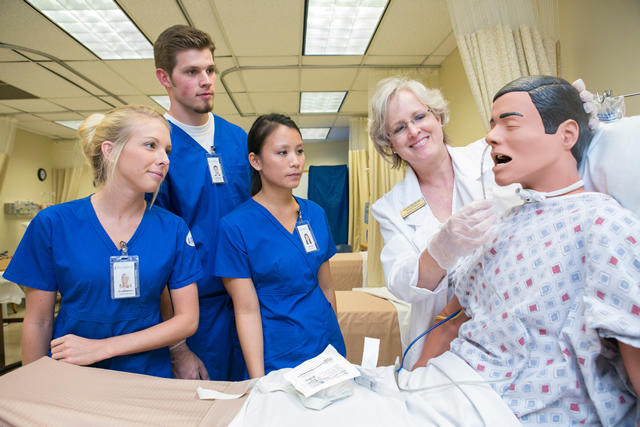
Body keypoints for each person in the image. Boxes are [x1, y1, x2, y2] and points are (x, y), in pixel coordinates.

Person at [414, 76, 640, 425]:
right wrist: (407, 387)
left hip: (509, 411)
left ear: (566, 135)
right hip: (441, 391)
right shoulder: (500, 228)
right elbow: (447, 322)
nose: (490, 136)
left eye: (510, 123)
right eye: (492, 124)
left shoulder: (604, 225)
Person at [4, 105, 203, 378]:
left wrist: (102, 348)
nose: (164, 159)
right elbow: (38, 321)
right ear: (109, 151)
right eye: (150, 145)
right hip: (72, 374)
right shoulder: (52, 224)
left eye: (166, 151)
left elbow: (187, 320)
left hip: (147, 375)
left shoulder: (173, 229)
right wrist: (34, 387)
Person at [369, 76, 521, 369]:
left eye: (419, 116)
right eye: (399, 128)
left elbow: (547, 148)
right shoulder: (389, 208)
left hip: (506, 326)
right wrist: (440, 251)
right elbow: (401, 283)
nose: (414, 131)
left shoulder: (487, 156)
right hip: (439, 342)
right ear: (390, 144)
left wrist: (588, 122)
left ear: (437, 116)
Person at [214, 113, 346, 378]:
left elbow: (327, 287)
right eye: (282, 152)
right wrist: (258, 379)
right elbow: (247, 311)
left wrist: (335, 350)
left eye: (299, 151)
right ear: (256, 161)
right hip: (276, 352)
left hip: (325, 342)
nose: (295, 161)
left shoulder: (315, 214)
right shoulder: (235, 226)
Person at [153, 25, 251, 381]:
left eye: (210, 70)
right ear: (165, 77)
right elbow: (156, 256)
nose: (207, 80)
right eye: (192, 72)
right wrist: (178, 348)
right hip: (196, 313)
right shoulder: (157, 147)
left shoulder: (237, 139)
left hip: (249, 302)